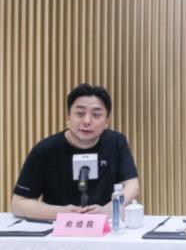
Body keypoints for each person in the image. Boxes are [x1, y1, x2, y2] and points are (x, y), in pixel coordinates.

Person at [11, 83, 140, 220]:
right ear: (68, 117)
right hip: (58, 227)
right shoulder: (45, 149)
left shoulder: (116, 142)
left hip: (105, 225)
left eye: (96, 115)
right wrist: (61, 213)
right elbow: (18, 204)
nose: (87, 121)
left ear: (107, 120)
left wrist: (109, 209)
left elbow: (132, 186)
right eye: (80, 113)